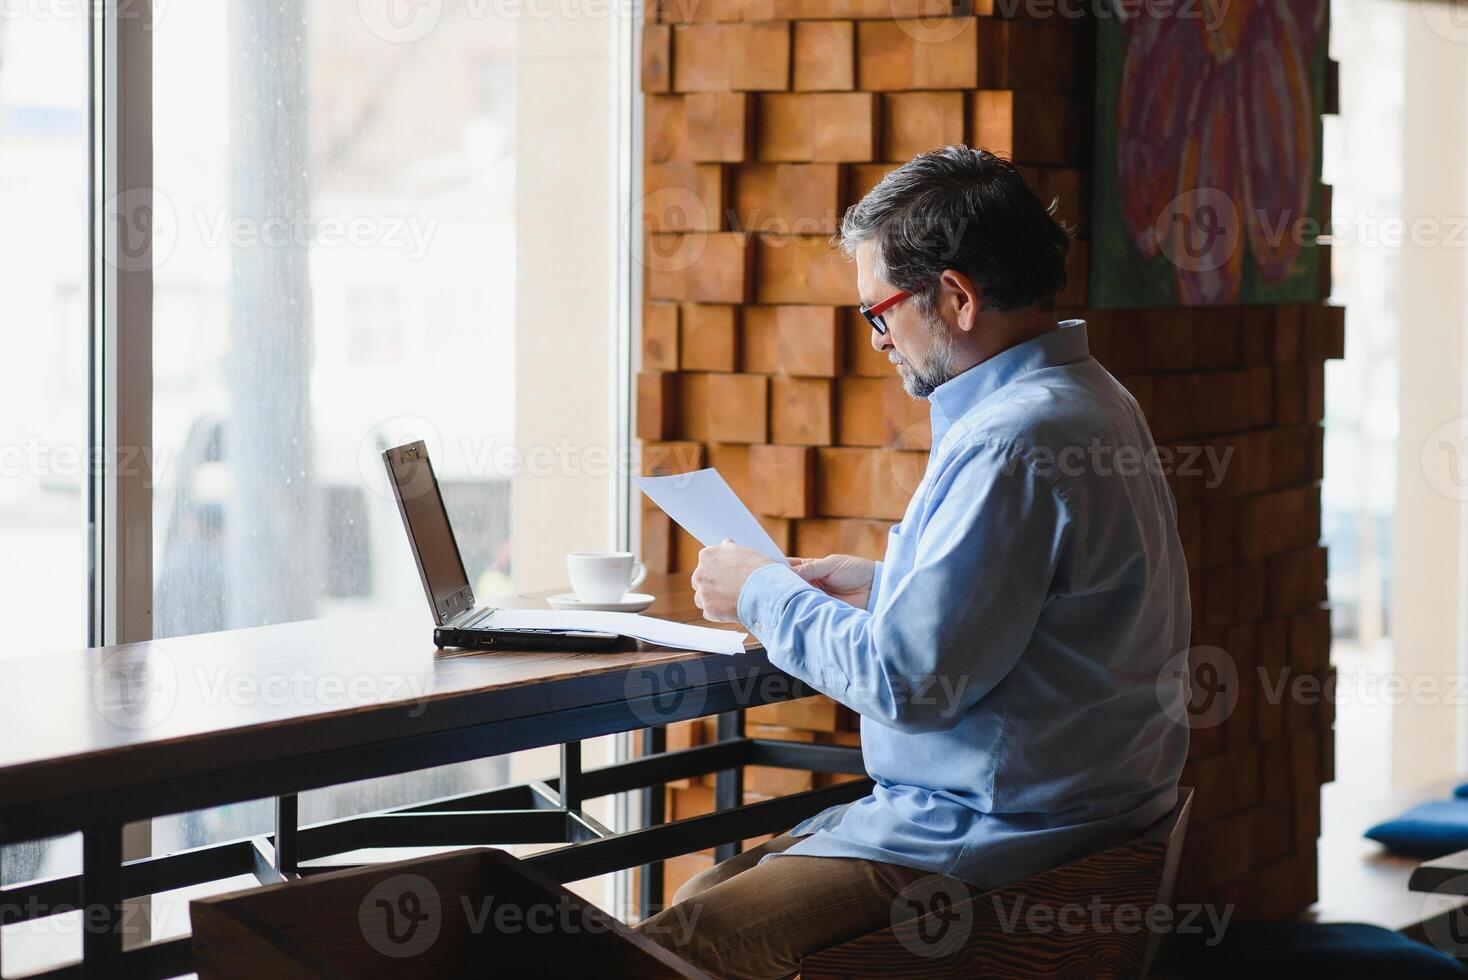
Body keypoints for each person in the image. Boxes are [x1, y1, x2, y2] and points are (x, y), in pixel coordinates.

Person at [637, 145, 1191, 979]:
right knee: (710, 891)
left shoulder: (1011, 438)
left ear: (958, 298)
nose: (879, 341)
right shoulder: (1092, 399)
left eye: (880, 314)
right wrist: (883, 588)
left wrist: (760, 593)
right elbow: (1040, 611)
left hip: (992, 839)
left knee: (682, 940)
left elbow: (911, 684)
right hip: (1077, 820)